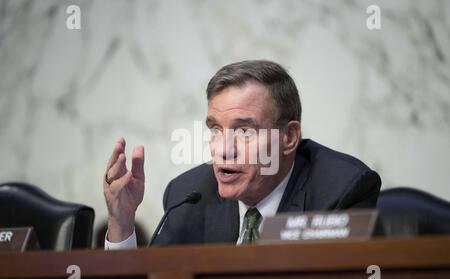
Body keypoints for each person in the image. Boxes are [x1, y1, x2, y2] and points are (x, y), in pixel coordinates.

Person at [103, 60, 381, 249]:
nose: (224, 149)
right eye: (215, 130)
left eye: (244, 132)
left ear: (289, 137)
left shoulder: (341, 190)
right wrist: (122, 222)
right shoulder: (187, 195)